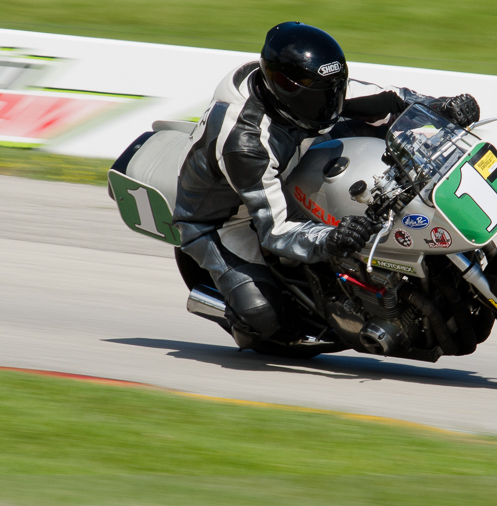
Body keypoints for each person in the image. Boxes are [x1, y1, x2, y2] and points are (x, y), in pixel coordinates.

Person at [172, 21, 480, 349]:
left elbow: (390, 101)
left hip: (292, 158)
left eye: (334, 91)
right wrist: (333, 236)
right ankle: (257, 316)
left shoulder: (315, 90)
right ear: (285, 89)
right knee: (268, 319)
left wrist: (441, 108)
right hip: (227, 219)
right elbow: (274, 231)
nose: (331, 104)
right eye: (319, 97)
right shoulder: (246, 144)